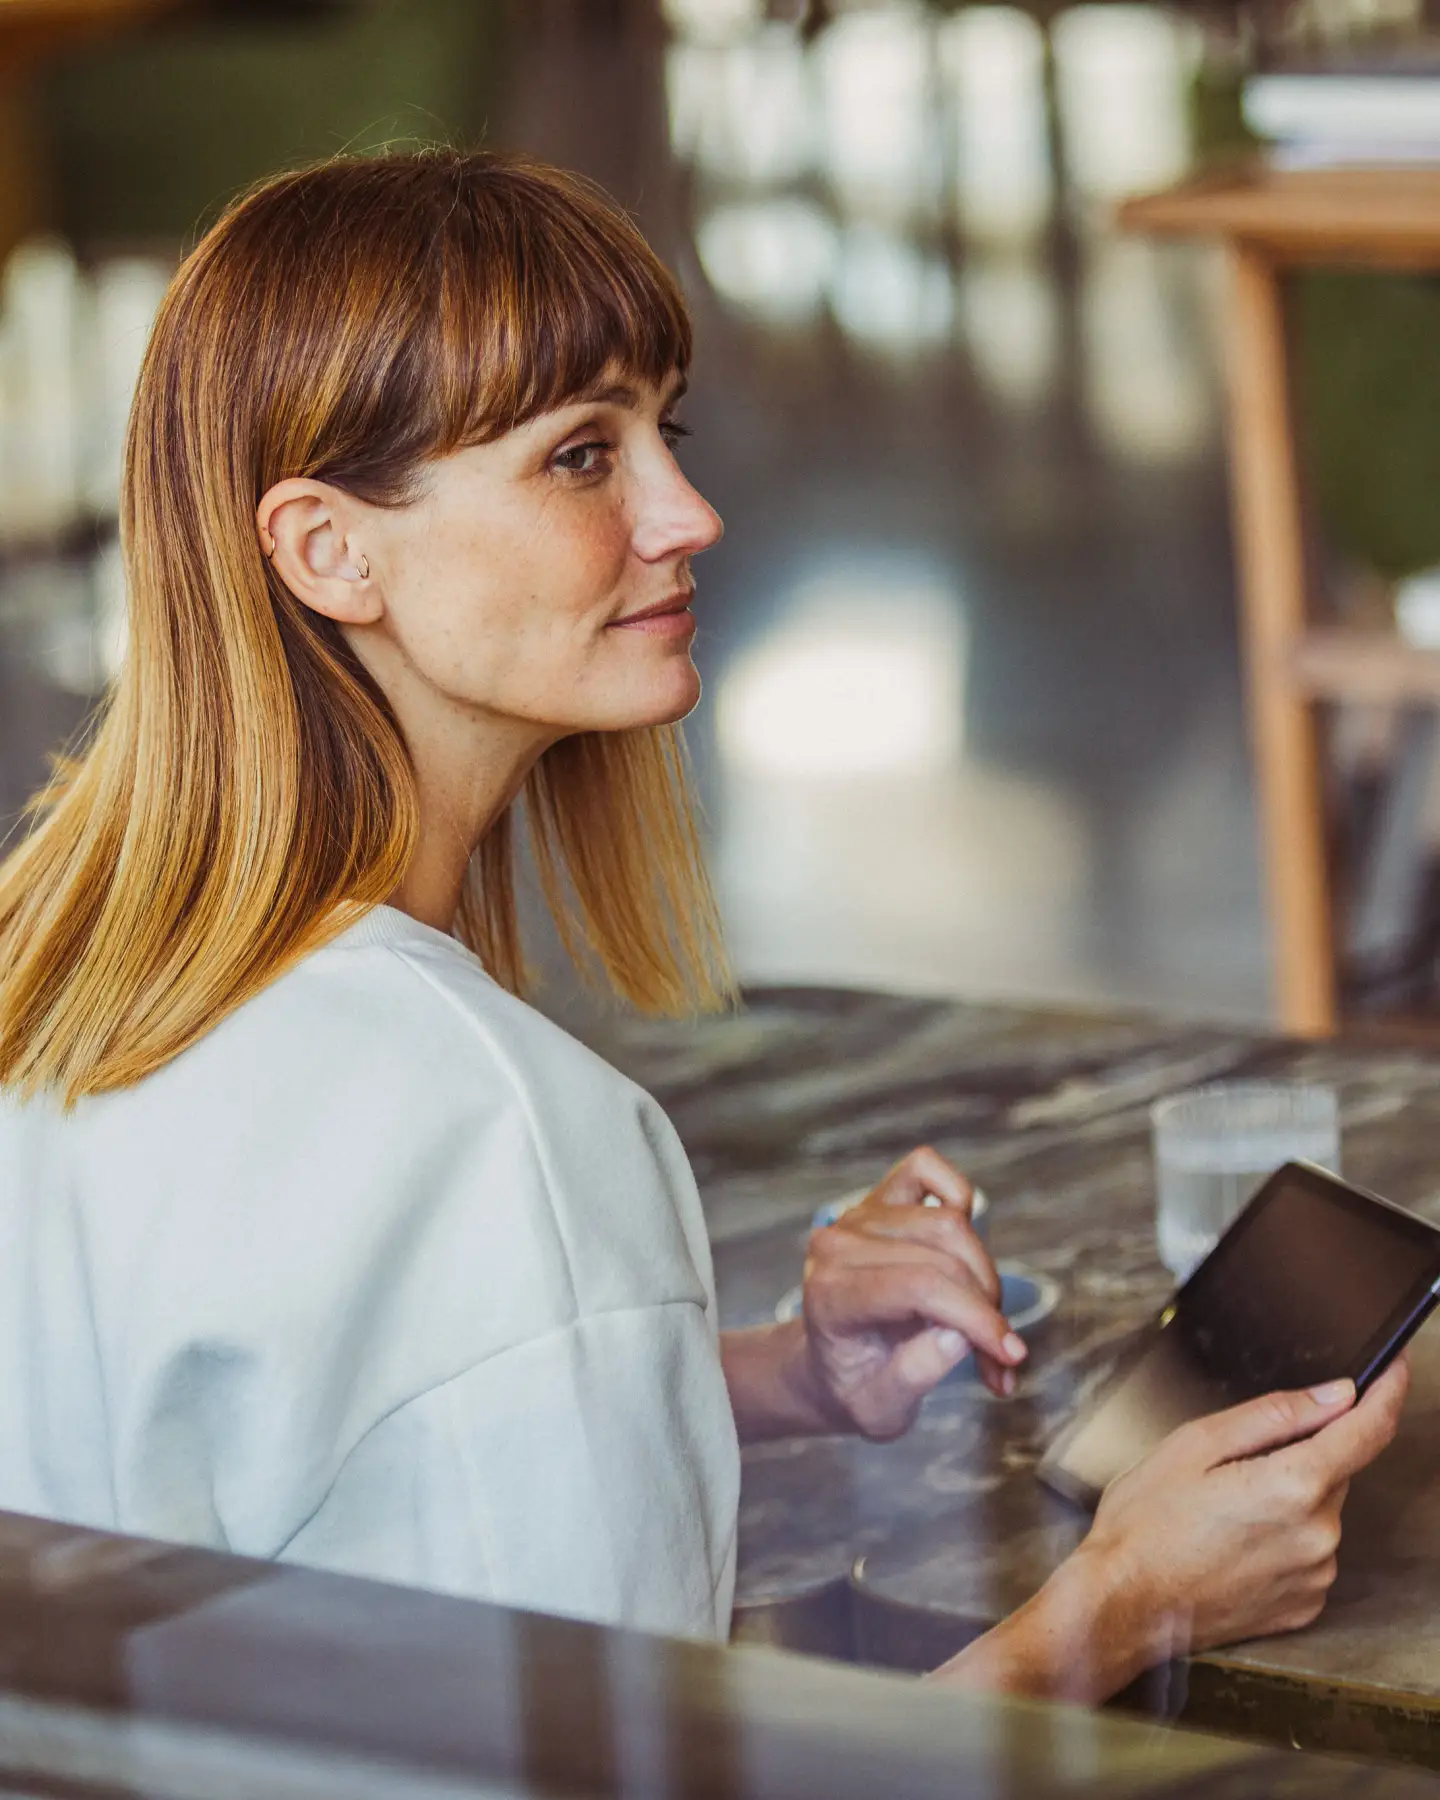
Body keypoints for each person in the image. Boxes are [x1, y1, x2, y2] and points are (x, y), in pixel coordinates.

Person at [0, 150, 1406, 1704]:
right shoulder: (493, 1135)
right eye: (578, 459)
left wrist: (759, 1375)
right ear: (331, 550)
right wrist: (1133, 1599)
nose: (690, 511)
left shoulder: (68, 992)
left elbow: (281, 1479)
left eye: (661, 429)